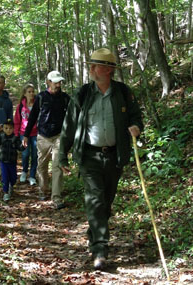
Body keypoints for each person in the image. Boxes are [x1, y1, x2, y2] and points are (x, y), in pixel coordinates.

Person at [59, 48, 143, 271]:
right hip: (89, 157)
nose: (91, 69)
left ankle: (94, 234)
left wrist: (136, 127)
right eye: (91, 65)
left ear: (107, 70)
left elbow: (136, 116)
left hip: (114, 156)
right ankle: (100, 250)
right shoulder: (83, 94)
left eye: (95, 66)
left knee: (105, 204)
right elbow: (69, 125)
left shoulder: (124, 93)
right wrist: (62, 155)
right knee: (95, 201)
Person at [23, 71, 70, 210]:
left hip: (59, 136)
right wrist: (26, 135)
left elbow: (72, 117)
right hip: (43, 136)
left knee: (57, 167)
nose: (58, 84)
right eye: (55, 82)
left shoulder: (65, 98)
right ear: (48, 82)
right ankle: (43, 189)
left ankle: (56, 197)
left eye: (59, 82)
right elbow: (33, 117)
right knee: (41, 166)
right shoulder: (41, 97)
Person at [0, 119, 25, 201]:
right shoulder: (1, 137)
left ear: (13, 129)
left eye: (10, 128)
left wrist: (24, 145)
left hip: (12, 162)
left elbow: (20, 147)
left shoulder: (15, 138)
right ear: (3, 128)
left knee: (13, 177)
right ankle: (6, 192)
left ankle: (11, 185)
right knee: (5, 177)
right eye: (6, 128)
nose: (8, 130)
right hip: (3, 162)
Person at [14, 83, 38, 186]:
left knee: (35, 155)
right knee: (25, 154)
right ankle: (24, 171)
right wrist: (16, 134)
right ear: (24, 94)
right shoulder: (20, 106)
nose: (31, 93)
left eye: (33, 91)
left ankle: (32, 175)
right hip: (24, 134)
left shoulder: (38, 104)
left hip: (36, 133)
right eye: (29, 92)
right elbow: (17, 121)